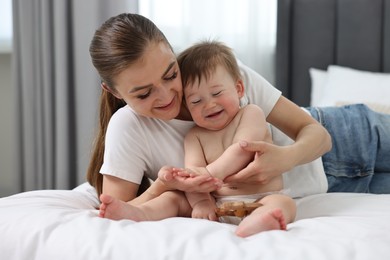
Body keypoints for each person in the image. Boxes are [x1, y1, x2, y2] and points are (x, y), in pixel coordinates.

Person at [87, 13, 390, 225]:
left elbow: (318, 134)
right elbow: (120, 211)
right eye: (143, 93)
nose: (167, 95)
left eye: (170, 74)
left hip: (351, 135)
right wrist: (163, 187)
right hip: (337, 189)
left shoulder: (216, 73)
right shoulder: (128, 128)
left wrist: (284, 158)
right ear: (112, 91)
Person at [99, 41, 297, 237]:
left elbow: (243, 149)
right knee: (173, 198)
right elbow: (192, 175)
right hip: (218, 205)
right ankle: (142, 213)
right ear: (186, 105)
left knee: (283, 204)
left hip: (262, 197)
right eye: (196, 101)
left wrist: (208, 174)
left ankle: (260, 220)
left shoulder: (251, 113)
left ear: (239, 89)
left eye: (217, 93)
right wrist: (199, 199)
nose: (209, 105)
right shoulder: (194, 136)